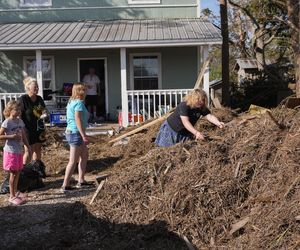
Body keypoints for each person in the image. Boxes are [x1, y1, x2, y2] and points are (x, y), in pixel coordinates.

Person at [155, 89, 224, 147]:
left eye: (203, 100)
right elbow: (185, 122)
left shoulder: (201, 107)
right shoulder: (184, 105)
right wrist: (196, 133)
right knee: (166, 151)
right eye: (198, 99)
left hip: (185, 132)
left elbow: (209, 116)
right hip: (171, 130)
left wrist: (218, 123)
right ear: (192, 98)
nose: (201, 102)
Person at [61, 83, 93, 192]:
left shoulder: (72, 102)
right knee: (73, 160)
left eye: (85, 89)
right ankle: (65, 185)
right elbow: (77, 119)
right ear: (79, 91)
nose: (85, 92)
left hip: (74, 132)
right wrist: (83, 135)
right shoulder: (78, 103)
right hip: (76, 133)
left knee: (84, 156)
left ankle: (81, 181)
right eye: (83, 90)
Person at [0, 101, 30, 205]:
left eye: (19, 109)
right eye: (16, 109)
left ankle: (16, 192)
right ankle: (11, 196)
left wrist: (27, 146)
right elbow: (0, 136)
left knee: (17, 172)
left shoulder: (20, 121)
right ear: (9, 110)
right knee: (13, 174)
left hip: (19, 150)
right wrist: (10, 137)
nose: (18, 111)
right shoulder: (7, 122)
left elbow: (24, 135)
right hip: (10, 151)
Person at [19, 76, 47, 165]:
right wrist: (21, 128)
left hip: (39, 127)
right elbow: (19, 115)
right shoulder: (23, 99)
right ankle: (24, 171)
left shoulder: (39, 98)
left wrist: (45, 114)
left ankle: (36, 169)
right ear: (28, 88)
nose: (37, 88)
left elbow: (44, 110)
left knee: (38, 149)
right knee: (29, 150)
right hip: (27, 129)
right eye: (35, 87)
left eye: (37, 87)